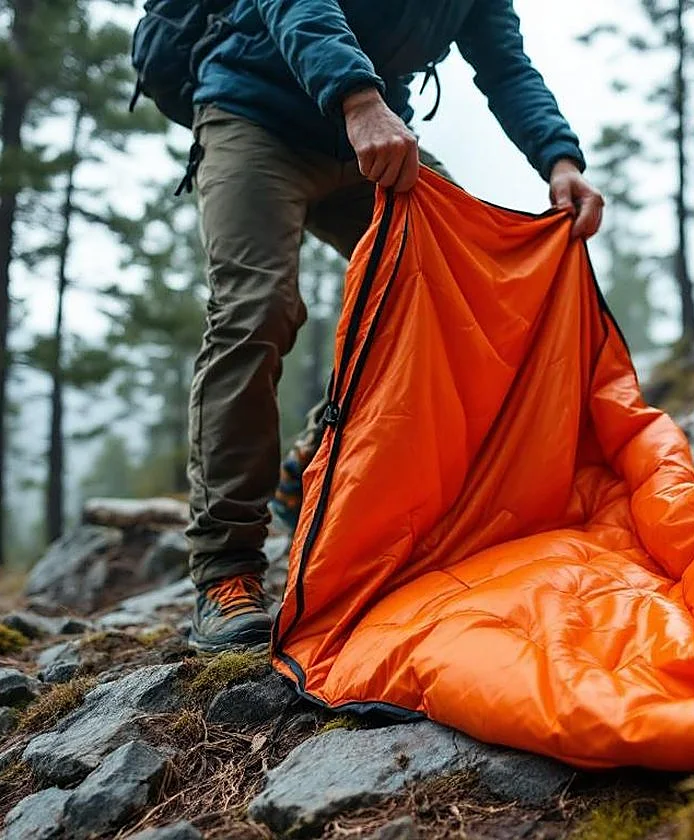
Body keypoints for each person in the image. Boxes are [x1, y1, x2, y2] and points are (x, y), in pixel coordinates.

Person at [184, 0, 605, 653]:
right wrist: (356, 98)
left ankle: (314, 462)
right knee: (256, 308)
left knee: (464, 283)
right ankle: (225, 570)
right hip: (257, 115)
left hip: (373, 136)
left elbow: (505, 66)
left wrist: (560, 161)